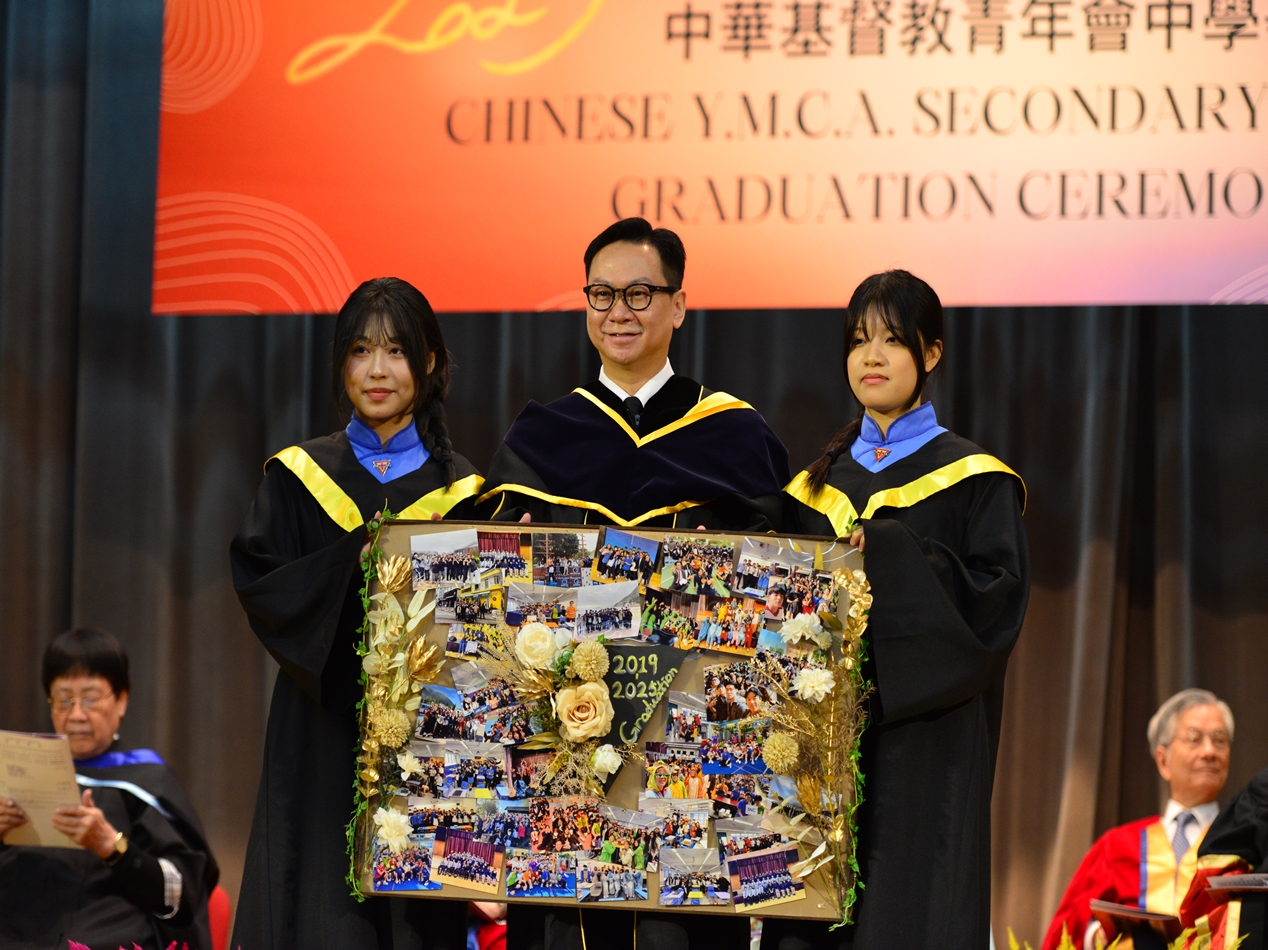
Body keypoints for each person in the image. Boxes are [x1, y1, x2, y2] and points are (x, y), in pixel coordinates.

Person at [775, 270, 1029, 950]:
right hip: (817, 749)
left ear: (932, 352)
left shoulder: (975, 480)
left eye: (892, 339)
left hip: (925, 747)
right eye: (859, 340)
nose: (872, 356)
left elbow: (995, 607)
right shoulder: (811, 489)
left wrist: (892, 552)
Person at [230, 278, 483, 950]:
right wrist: (356, 562)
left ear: (430, 362)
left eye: (396, 351)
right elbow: (264, 582)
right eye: (361, 351)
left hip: (428, 737)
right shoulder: (298, 476)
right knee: (318, 906)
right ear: (341, 362)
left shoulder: (463, 490)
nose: (377, 370)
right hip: (320, 729)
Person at [479, 217, 790, 531]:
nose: (618, 313)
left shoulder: (736, 435)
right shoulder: (538, 439)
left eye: (639, 294)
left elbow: (778, 549)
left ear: (678, 307)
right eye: (602, 294)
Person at [0, 628, 218, 950]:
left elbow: (181, 896)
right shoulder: (18, 776)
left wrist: (112, 847)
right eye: (63, 700)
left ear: (121, 701)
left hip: (104, 938)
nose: (76, 715)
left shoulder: (145, 781)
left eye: (90, 699)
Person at [1042, 689, 1234, 949]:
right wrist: (1100, 934)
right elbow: (1068, 932)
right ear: (1163, 760)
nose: (1209, 751)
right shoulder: (1116, 846)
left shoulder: (1242, 844)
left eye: (1219, 740)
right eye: (1194, 738)